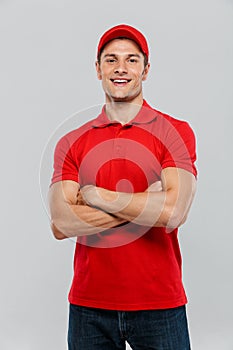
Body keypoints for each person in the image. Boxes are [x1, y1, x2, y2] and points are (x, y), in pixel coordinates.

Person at [49, 24, 197, 350]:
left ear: (146, 70)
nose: (120, 68)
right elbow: (61, 224)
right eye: (111, 59)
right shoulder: (72, 141)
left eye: (131, 60)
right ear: (98, 69)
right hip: (89, 306)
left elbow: (174, 212)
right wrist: (150, 201)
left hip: (160, 303)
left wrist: (95, 196)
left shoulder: (175, 131)